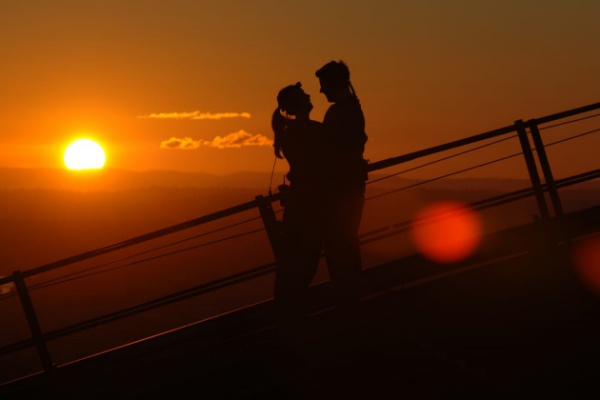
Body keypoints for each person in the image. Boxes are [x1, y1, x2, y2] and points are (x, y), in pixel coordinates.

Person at [271, 82, 327, 330]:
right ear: (296, 105)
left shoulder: (290, 133)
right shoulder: (309, 131)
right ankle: (293, 322)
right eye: (304, 95)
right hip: (309, 204)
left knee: (297, 263)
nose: (309, 96)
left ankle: (290, 319)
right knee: (305, 262)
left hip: (301, 203)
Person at [315, 60, 368, 314]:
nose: (321, 91)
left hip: (339, 189)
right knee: (346, 241)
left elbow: (331, 150)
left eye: (324, 85)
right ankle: (350, 298)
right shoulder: (351, 110)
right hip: (350, 187)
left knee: (339, 242)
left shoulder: (339, 113)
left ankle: (346, 301)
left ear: (334, 84)